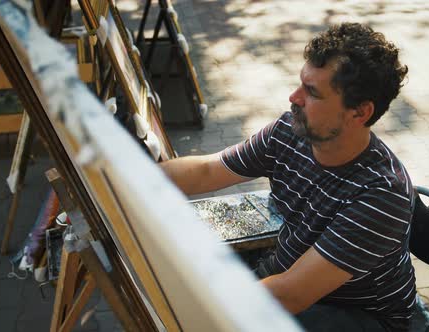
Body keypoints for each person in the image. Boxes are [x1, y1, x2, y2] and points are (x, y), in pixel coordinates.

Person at [161, 23, 414, 332]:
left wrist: (192, 308)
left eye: (312, 92)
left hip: (360, 315)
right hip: (291, 281)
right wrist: (128, 178)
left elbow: (288, 295)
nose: (293, 98)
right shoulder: (289, 131)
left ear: (359, 113)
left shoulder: (382, 194)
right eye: (300, 84)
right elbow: (206, 171)